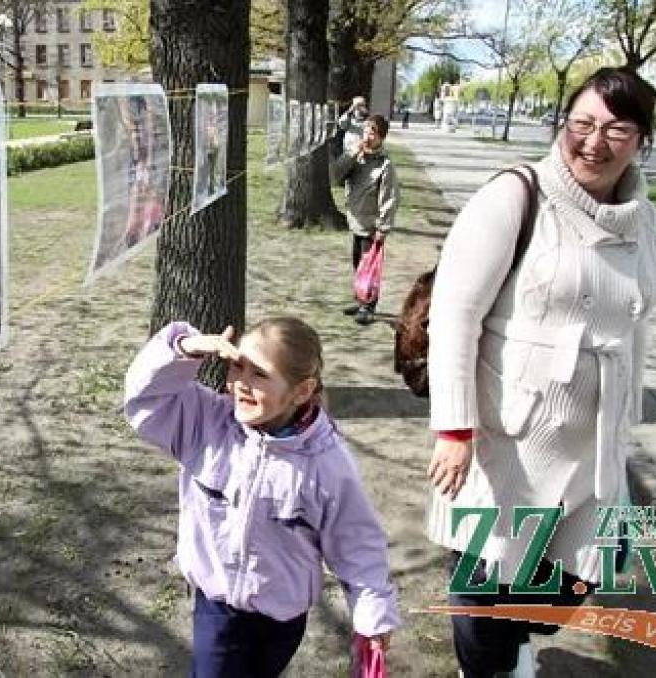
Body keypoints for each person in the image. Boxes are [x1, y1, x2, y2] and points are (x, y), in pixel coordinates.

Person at [424, 66, 656, 677]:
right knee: (485, 584)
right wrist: (453, 428)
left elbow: (636, 326)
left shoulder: (648, 223)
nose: (594, 140)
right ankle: (488, 667)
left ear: (641, 140)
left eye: (617, 129)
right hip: (511, 435)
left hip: (592, 444)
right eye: (582, 122)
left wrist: (627, 424)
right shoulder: (515, 196)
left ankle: (520, 640)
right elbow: (454, 313)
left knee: (571, 585)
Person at [124, 318, 400, 678]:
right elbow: (144, 401)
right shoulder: (207, 424)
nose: (241, 383)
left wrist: (373, 620)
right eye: (237, 367)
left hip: (283, 619)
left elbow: (357, 544)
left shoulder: (327, 462)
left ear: (302, 391)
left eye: (260, 375)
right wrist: (183, 349)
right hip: (220, 609)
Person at [336, 114, 399, 326]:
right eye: (365, 131)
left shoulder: (385, 165)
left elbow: (389, 197)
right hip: (356, 221)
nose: (367, 136)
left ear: (381, 137)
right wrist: (354, 153)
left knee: (370, 268)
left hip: (372, 226)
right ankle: (360, 300)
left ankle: (368, 306)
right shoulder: (357, 156)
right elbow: (336, 176)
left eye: (373, 133)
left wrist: (383, 227)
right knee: (358, 264)